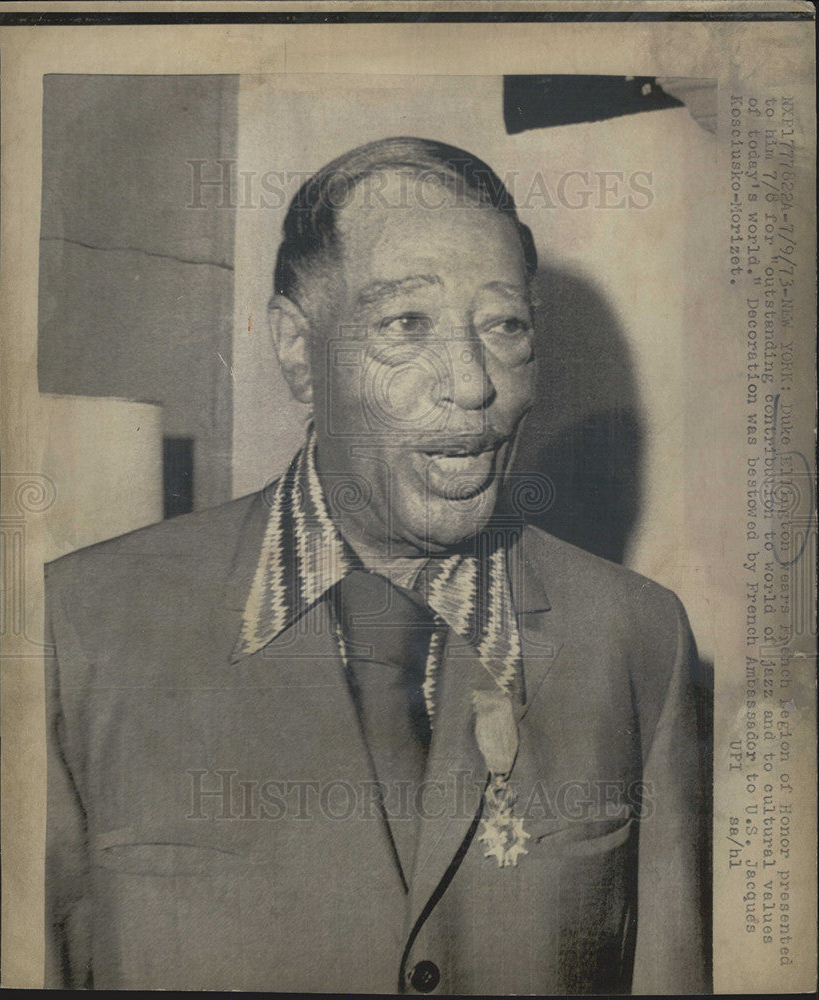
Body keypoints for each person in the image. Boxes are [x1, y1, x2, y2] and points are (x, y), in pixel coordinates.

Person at [44, 137, 709, 993]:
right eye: (406, 324)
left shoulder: (637, 636)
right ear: (297, 349)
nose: (471, 383)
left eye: (504, 325)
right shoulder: (79, 625)